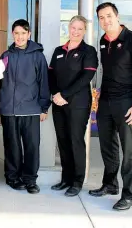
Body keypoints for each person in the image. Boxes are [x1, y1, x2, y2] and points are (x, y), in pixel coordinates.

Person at [89, 2, 132, 211]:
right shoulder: (103, 41)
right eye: (101, 18)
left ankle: (128, 194)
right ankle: (110, 184)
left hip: (126, 103)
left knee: (129, 150)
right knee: (108, 147)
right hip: (105, 102)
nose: (105, 21)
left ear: (117, 16)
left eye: (109, 16)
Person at [0, 19, 51, 194]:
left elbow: (44, 82)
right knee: (12, 146)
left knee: (32, 146)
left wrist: (44, 107)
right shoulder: (5, 56)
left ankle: (30, 179)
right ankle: (13, 177)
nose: (19, 37)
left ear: (29, 34)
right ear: (12, 34)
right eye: (16, 33)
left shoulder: (38, 56)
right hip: (10, 110)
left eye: (23, 33)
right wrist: (0, 106)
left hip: (31, 109)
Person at [48, 15, 98, 197]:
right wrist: (55, 94)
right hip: (58, 103)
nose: (75, 32)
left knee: (76, 140)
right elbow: (51, 76)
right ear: (68, 28)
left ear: (84, 31)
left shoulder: (89, 51)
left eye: (80, 29)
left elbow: (86, 78)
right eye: (73, 28)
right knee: (62, 140)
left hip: (78, 104)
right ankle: (66, 179)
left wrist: (64, 94)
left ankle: (77, 181)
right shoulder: (58, 51)